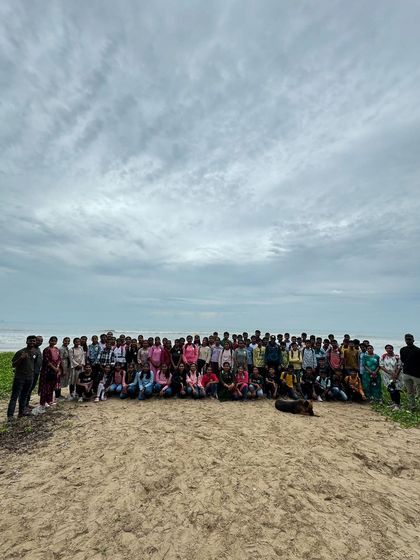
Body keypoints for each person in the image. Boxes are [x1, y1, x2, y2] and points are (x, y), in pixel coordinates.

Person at [7, 335, 38, 420]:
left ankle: (21, 412)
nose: (32, 342)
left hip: (30, 377)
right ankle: (10, 415)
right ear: (26, 341)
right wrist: (21, 358)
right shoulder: (21, 352)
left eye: (33, 341)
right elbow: (13, 365)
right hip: (19, 377)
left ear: (35, 342)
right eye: (30, 341)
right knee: (14, 396)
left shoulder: (35, 352)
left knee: (24, 395)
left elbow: (33, 363)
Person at [39, 336, 62, 409]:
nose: (53, 342)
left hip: (55, 370)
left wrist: (57, 367)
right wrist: (54, 368)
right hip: (47, 371)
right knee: (46, 386)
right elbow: (47, 361)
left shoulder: (57, 349)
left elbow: (59, 359)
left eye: (55, 341)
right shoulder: (46, 349)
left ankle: (50, 400)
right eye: (52, 341)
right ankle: (43, 402)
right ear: (49, 341)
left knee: (52, 386)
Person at [400, 334, 420, 412]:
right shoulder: (402, 349)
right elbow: (403, 360)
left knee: (419, 393)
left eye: (410, 339)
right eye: (407, 339)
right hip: (406, 374)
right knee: (410, 392)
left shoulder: (418, 350)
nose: (408, 340)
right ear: (405, 340)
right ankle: (412, 408)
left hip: (417, 374)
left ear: (413, 340)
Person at [380, 345, 402, 410]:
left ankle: (398, 404)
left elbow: (399, 366)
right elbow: (381, 366)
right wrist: (390, 373)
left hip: (396, 376)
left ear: (393, 349)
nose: (389, 349)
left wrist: (395, 374)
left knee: (396, 390)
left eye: (390, 348)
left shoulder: (397, 357)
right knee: (390, 389)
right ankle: (394, 403)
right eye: (387, 348)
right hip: (387, 376)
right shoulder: (383, 356)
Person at [24, 335, 43, 408]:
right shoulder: (31, 350)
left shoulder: (38, 349)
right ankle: (24, 405)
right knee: (27, 389)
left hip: (36, 372)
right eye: (38, 340)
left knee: (31, 388)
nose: (40, 342)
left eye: (41, 341)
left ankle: (27, 404)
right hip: (30, 373)